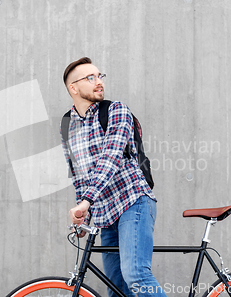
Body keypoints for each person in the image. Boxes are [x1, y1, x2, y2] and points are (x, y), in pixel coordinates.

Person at [60, 57, 166, 297]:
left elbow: (111, 158)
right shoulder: (66, 125)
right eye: (90, 77)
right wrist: (83, 213)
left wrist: (86, 200)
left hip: (133, 201)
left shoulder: (117, 110)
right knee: (117, 288)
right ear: (73, 88)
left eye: (100, 76)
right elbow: (78, 173)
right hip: (105, 214)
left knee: (136, 275)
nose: (99, 82)